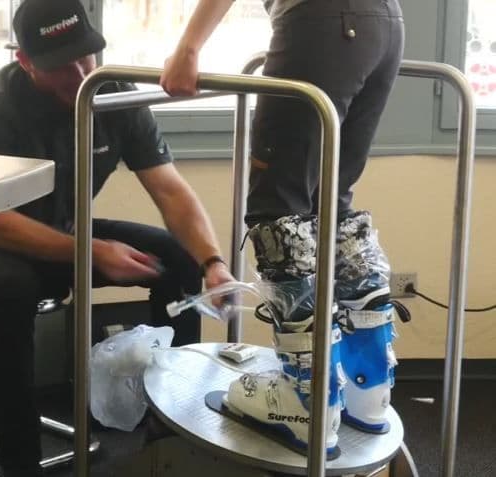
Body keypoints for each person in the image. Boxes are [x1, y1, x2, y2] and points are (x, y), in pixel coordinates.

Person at [0, 0, 234, 475]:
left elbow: (170, 191)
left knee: (179, 258)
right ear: (25, 60)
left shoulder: (112, 94)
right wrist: (91, 251)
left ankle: (168, 432)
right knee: (11, 286)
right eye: (61, 65)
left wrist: (213, 262)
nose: (79, 75)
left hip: (62, 233)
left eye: (86, 57)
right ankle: (19, 463)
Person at [161, 0, 405, 458]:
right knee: (331, 202)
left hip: (323, 21)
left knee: (278, 213)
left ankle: (304, 400)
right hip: (385, 24)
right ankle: (368, 387)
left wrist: (188, 48)